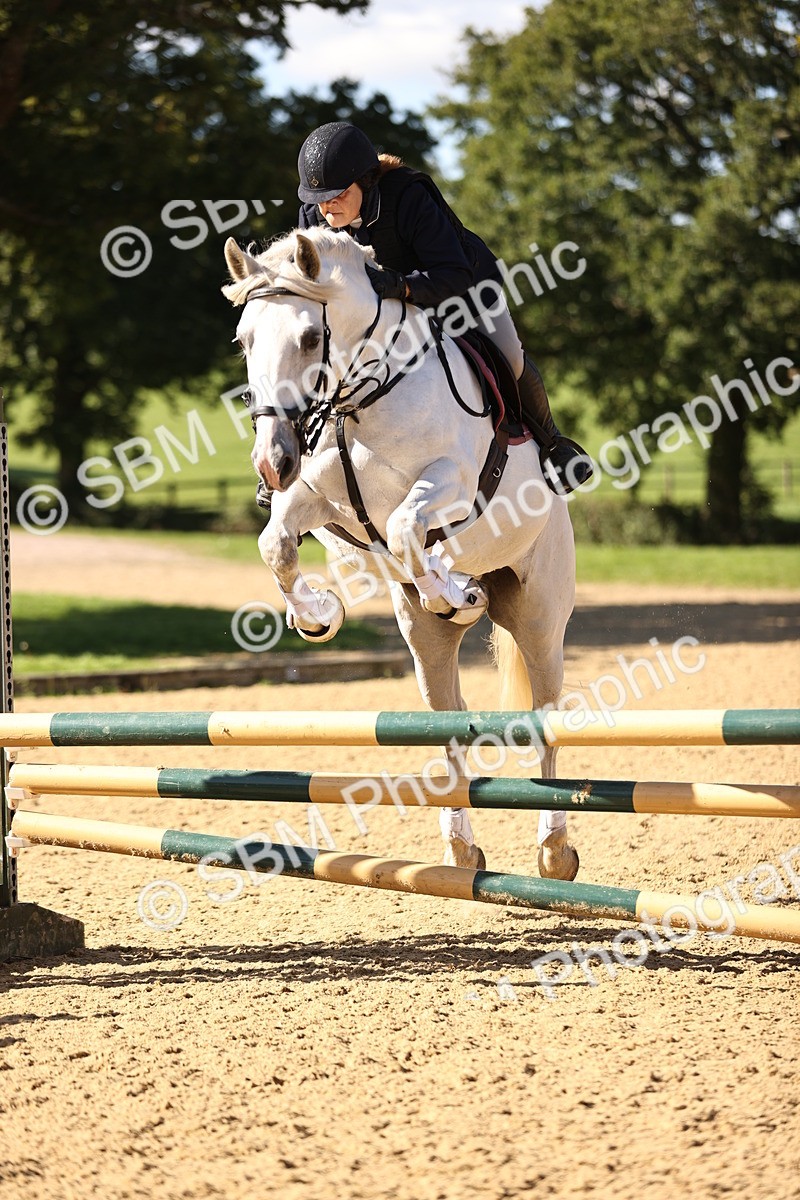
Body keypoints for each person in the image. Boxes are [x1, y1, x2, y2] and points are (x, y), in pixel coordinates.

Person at [296, 121, 592, 492]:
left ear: (367, 180)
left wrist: (402, 286)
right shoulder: (313, 216)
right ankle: (292, 460)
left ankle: (553, 446)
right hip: (384, 313)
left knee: (510, 357)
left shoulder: (409, 196)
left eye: (338, 194)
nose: (326, 206)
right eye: (318, 198)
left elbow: (454, 273)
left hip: (460, 291)